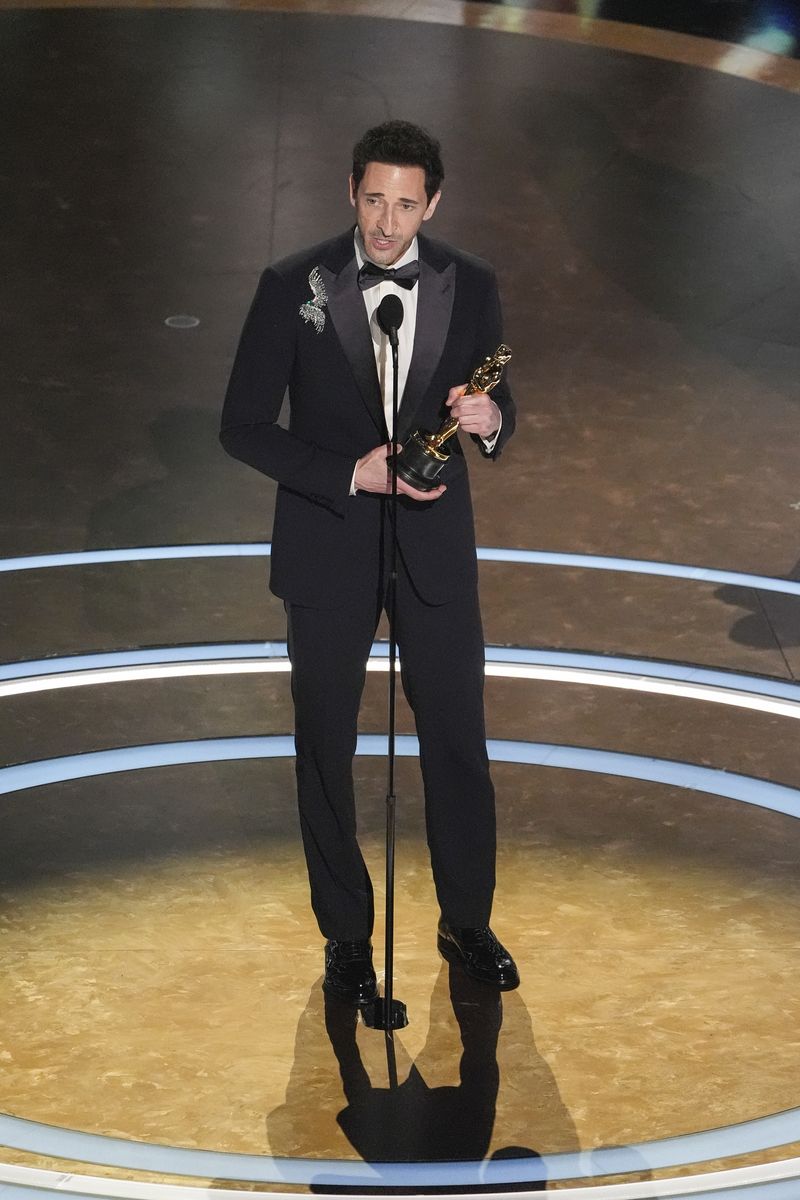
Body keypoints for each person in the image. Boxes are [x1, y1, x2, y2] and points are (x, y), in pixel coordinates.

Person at [220, 120, 519, 1003]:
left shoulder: (473, 286)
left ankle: (466, 921)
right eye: (374, 200)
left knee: (459, 743)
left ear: (434, 203)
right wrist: (347, 473)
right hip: (328, 545)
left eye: (406, 204)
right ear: (352, 192)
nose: (387, 223)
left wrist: (490, 423)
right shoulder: (292, 287)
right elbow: (241, 424)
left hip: (433, 553)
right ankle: (347, 936)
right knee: (324, 747)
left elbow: (502, 404)